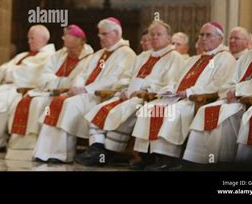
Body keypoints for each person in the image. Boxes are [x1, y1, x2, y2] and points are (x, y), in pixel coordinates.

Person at [75, 20, 185, 167]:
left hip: (148, 98)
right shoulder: (143, 56)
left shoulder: (175, 57)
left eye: (159, 34)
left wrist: (146, 91)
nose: (154, 37)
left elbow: (171, 83)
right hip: (129, 96)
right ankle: (97, 149)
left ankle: (108, 153)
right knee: (99, 109)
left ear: (168, 38)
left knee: (121, 113)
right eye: (152, 34)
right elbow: (127, 77)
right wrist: (123, 90)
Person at [131, 22, 236, 170]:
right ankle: (148, 156)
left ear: (220, 39)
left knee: (170, 112)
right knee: (150, 107)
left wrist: (188, 92)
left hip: (194, 101)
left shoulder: (225, 58)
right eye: (201, 35)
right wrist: (169, 90)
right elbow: (176, 79)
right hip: (177, 98)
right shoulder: (194, 59)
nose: (203, 38)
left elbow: (218, 84)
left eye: (208, 35)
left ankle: (169, 159)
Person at [33, 17, 136, 163]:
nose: (100, 37)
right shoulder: (99, 54)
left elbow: (113, 80)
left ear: (116, 33)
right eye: (99, 34)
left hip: (101, 97)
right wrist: (77, 86)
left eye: (104, 34)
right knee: (58, 101)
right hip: (86, 94)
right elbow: (83, 73)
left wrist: (86, 89)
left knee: (69, 104)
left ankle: (62, 154)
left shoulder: (127, 54)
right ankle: (46, 152)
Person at [183, 18, 252, 164]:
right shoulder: (249, 55)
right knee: (207, 110)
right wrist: (230, 91)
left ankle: (229, 160)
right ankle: (200, 160)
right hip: (236, 98)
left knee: (239, 116)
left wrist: (238, 91)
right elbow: (231, 79)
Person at [5, 25, 93, 160]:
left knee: (43, 105)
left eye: (72, 48)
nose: (69, 52)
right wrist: (61, 81)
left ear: (80, 42)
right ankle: (26, 148)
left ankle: (51, 151)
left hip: (68, 95)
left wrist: (57, 82)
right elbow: (43, 77)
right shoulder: (59, 55)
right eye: (67, 47)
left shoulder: (89, 58)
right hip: (47, 92)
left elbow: (77, 81)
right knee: (29, 101)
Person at [0, 25, 55, 151]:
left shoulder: (49, 56)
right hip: (6, 87)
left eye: (32, 38)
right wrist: (10, 71)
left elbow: (28, 74)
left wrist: (9, 72)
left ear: (43, 39)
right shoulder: (24, 54)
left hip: (21, 89)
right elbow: (3, 69)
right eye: (29, 38)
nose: (29, 41)